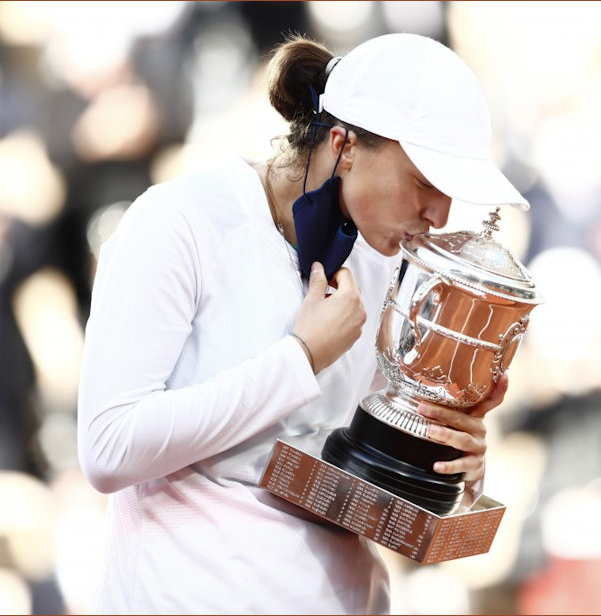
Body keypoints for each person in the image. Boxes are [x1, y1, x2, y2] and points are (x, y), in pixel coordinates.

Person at [77, 33, 529, 614]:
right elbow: (108, 447)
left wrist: (446, 464)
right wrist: (299, 357)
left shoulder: (382, 260)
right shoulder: (181, 221)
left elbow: (353, 481)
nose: (439, 214)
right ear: (343, 146)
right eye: (424, 182)